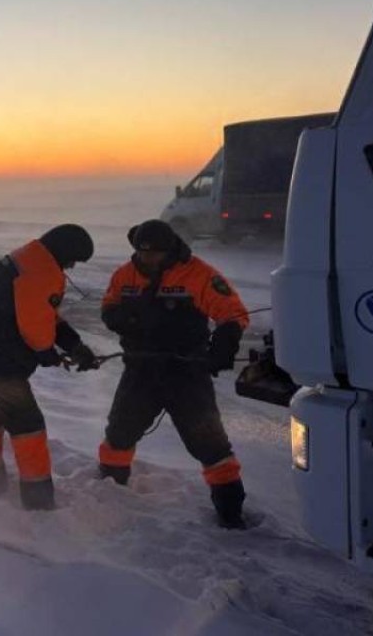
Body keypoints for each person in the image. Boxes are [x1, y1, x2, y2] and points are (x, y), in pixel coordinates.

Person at [98, 219, 249, 528]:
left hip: (186, 373)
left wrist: (224, 345)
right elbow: (109, 305)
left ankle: (230, 512)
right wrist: (124, 318)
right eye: (142, 253)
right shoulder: (125, 274)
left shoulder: (198, 273)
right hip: (140, 369)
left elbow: (233, 312)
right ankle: (110, 490)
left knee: (210, 444)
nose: (148, 259)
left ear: (169, 250)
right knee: (119, 433)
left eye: (154, 253)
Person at [0, 224, 101, 510]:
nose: (71, 266)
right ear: (63, 251)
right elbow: (34, 326)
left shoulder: (29, 259)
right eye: (73, 260)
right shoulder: (41, 271)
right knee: (28, 427)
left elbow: (43, 313)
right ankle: (38, 501)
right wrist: (48, 354)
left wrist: (74, 345)